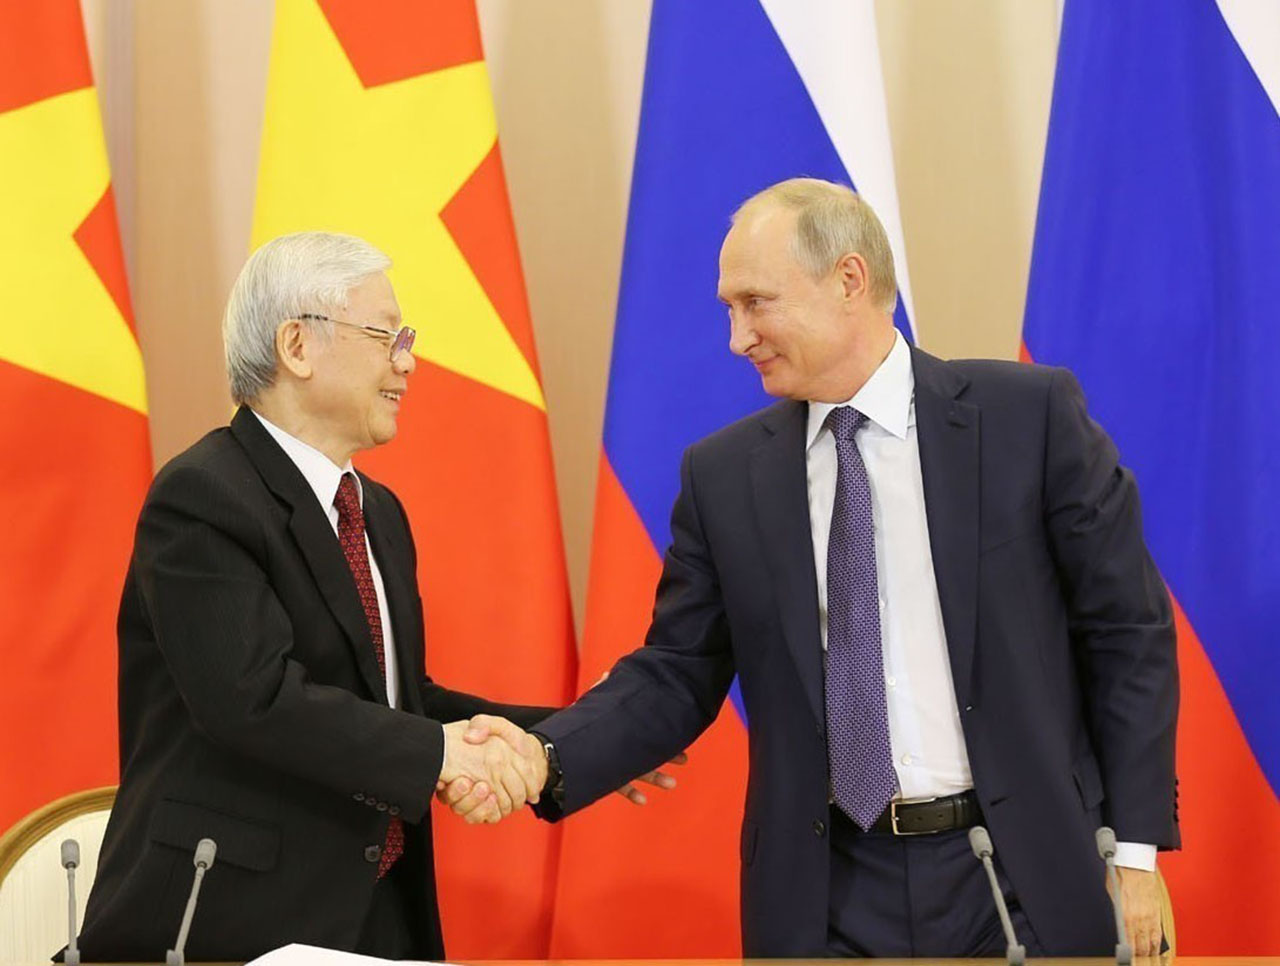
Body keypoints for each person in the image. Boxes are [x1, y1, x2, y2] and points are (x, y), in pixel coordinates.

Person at [448, 179, 1179, 957]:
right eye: (730, 309)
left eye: (755, 303)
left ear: (849, 280)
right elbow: (676, 670)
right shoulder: (725, 476)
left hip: (1018, 874)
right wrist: (544, 754)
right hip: (827, 895)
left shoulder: (1025, 420)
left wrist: (1134, 855)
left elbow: (1127, 634)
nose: (738, 338)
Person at [75, 232, 557, 962]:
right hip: (236, 920)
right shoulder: (202, 495)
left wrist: (571, 734)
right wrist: (441, 754)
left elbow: (396, 698)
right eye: (386, 336)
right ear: (298, 346)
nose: (407, 362)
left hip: (378, 909)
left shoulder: (378, 511)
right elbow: (253, 699)